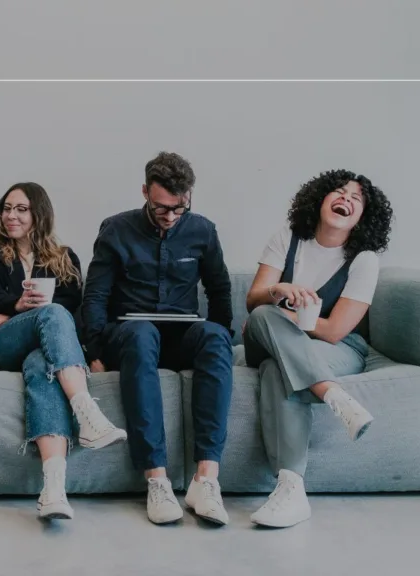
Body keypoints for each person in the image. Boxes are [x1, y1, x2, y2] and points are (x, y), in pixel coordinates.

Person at [81, 151, 234, 526]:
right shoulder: (115, 229)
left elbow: (219, 289)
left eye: (179, 208)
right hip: (130, 336)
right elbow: (96, 294)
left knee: (215, 337)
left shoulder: (203, 230)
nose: (170, 216)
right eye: (161, 207)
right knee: (140, 331)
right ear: (145, 192)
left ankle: (206, 479)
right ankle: (157, 480)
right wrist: (94, 348)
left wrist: (224, 334)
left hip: (181, 334)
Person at [0, 183, 127, 520]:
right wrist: (14, 307)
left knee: (42, 363)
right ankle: (86, 412)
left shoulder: (65, 258)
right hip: (0, 345)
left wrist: (20, 311)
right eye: (6, 208)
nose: (10, 215)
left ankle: (53, 489)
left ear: (39, 213)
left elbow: (74, 309)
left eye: (20, 209)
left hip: (41, 347)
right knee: (53, 313)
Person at [243, 169, 393, 529]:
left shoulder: (364, 260)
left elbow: (336, 330)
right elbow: (253, 300)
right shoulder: (287, 238)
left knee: (278, 369)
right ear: (321, 198)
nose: (346, 199)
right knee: (263, 314)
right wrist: (280, 291)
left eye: (356, 199)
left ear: (363, 217)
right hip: (266, 337)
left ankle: (291, 489)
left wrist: (295, 318)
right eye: (339, 192)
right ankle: (335, 396)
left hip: (335, 347)